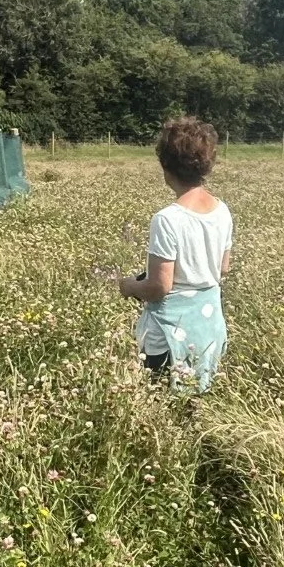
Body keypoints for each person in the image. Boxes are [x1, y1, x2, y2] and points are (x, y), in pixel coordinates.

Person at [118, 116, 233, 391]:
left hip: (170, 333)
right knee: (199, 395)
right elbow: (223, 268)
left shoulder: (167, 219)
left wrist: (129, 286)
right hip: (208, 325)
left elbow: (159, 286)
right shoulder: (222, 210)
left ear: (166, 166)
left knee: (161, 399)